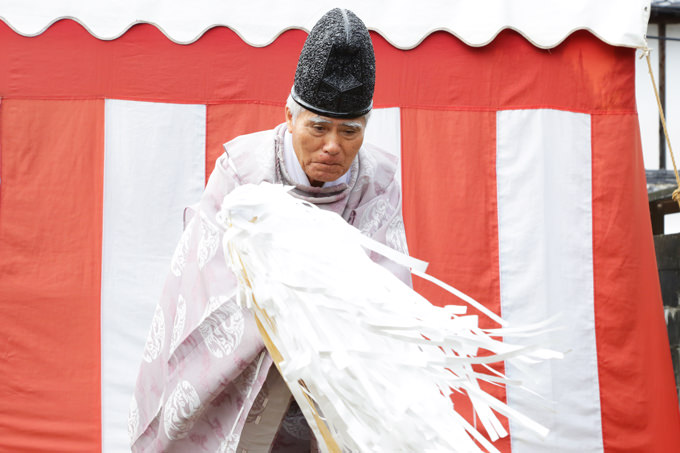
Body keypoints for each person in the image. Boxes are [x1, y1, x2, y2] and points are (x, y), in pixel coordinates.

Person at [129, 8, 409, 452]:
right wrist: (295, 305)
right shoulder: (243, 172)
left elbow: (387, 291)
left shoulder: (377, 180)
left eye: (349, 131)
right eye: (318, 127)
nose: (333, 146)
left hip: (330, 374)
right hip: (240, 375)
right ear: (290, 116)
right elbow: (206, 284)